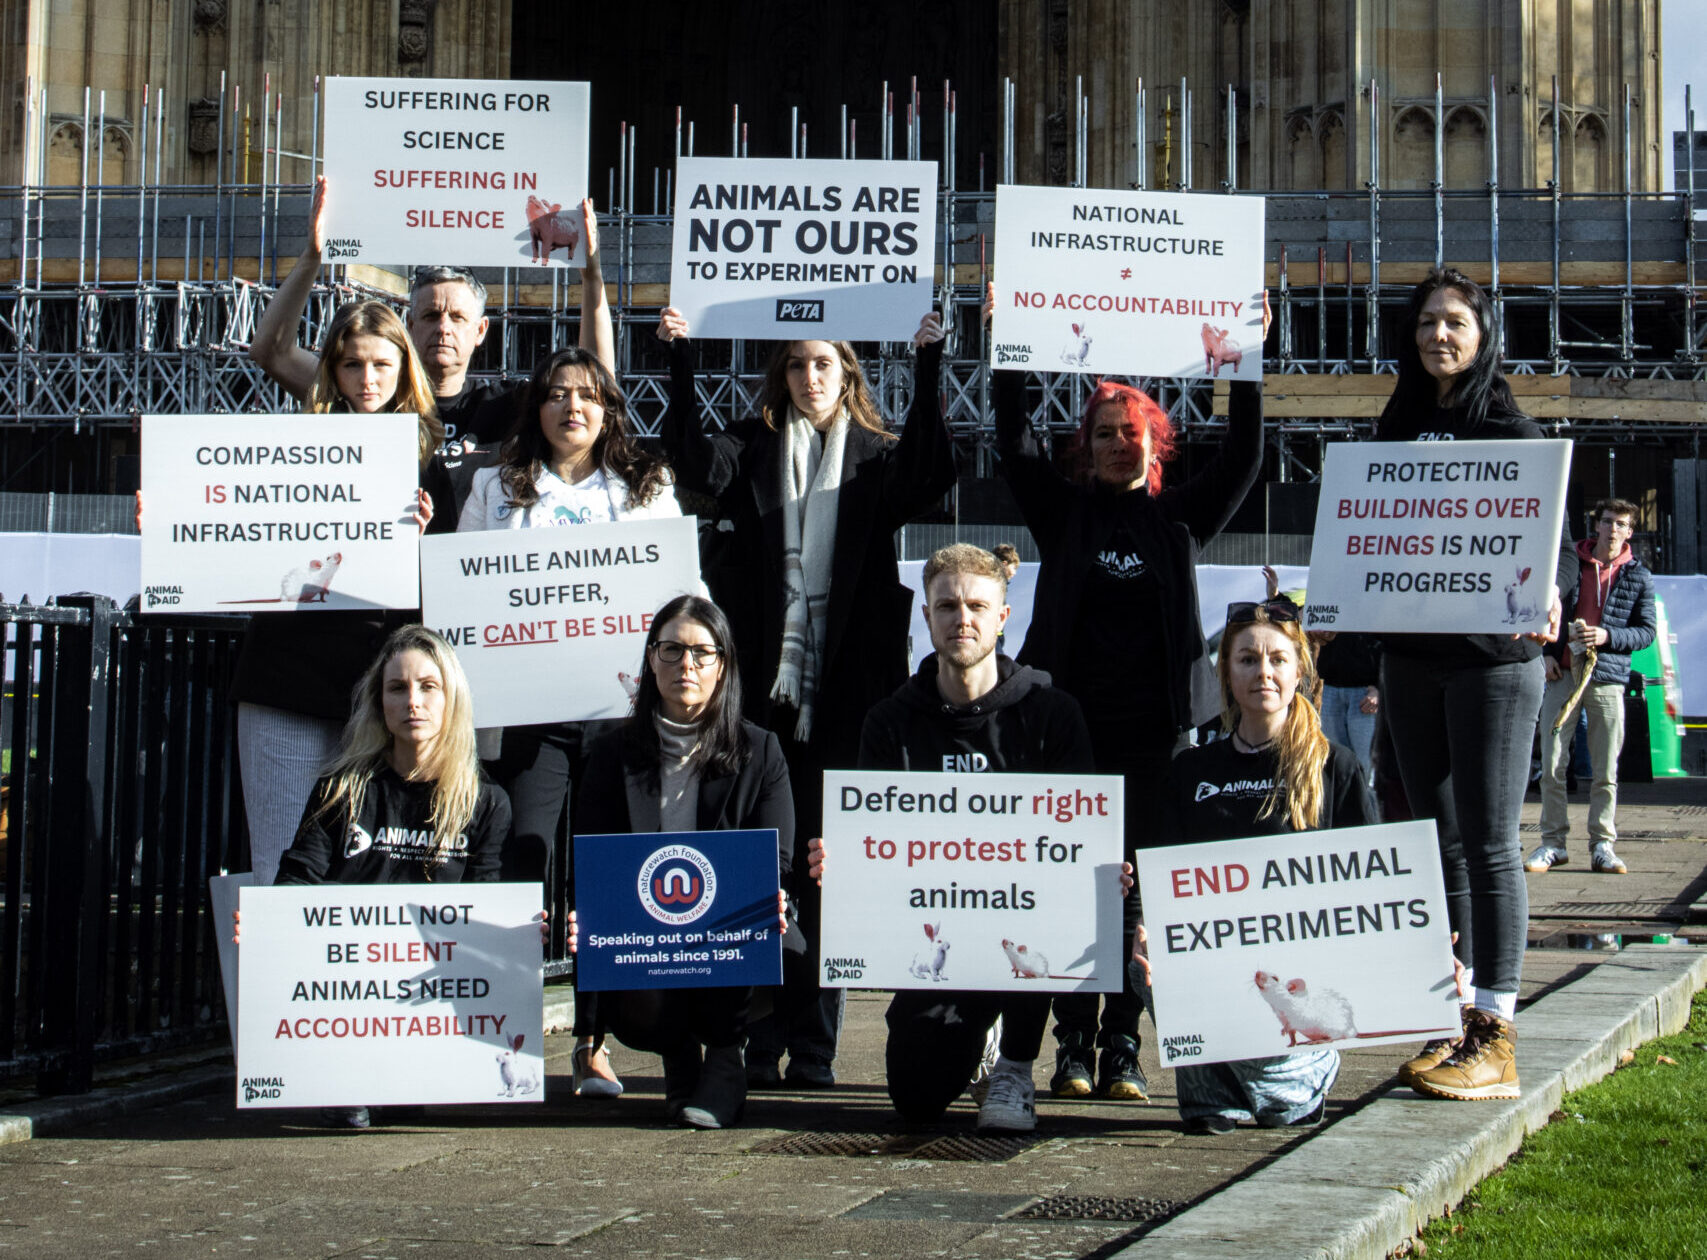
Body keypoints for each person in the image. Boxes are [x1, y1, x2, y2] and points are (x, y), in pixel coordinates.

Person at [656, 307, 956, 1088]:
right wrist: (681, 357)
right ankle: (756, 1039)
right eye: (796, 365)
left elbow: (931, 470)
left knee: (827, 871)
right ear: (780, 376)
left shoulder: (872, 460)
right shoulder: (750, 448)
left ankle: (816, 1048)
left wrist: (927, 365)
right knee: (760, 868)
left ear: (847, 376)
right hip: (758, 704)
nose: (810, 378)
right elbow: (689, 460)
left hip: (846, 704)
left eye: (825, 364)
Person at [986, 283, 1270, 1103]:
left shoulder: (1178, 519)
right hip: (1070, 736)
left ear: (1157, 444)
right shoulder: (1062, 512)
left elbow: (1246, 455)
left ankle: (1122, 1044)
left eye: (1134, 432)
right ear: (1086, 447)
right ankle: (1071, 1044)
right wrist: (1010, 344)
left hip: (1157, 739)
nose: (1119, 444)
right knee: (1078, 888)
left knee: (1144, 891)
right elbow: (1012, 437)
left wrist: (1244, 356)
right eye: (1105, 433)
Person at [812, 544, 1109, 1133]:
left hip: (1022, 920)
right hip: (939, 932)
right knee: (916, 1098)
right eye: (946, 606)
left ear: (1003, 616)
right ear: (926, 617)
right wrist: (843, 862)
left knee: (1062, 897)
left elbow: (1079, 842)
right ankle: (982, 1040)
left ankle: (1017, 1065)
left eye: (977, 605)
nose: (961, 619)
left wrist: (1101, 866)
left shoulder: (1053, 714)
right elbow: (874, 847)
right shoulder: (889, 722)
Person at [456, 345, 683, 1098]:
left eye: (587, 396)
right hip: (529, 716)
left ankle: (592, 1041)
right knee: (522, 861)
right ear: (537, 408)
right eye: (555, 395)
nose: (571, 408)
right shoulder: (495, 487)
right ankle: (504, 1037)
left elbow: (681, 593)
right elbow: (467, 590)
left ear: (609, 410)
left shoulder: (647, 485)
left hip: (618, 714)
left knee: (607, 876)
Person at [1374, 268, 1574, 1102]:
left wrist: (1554, 585)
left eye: (1454, 322)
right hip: (1411, 659)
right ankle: (1451, 1017)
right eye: (1426, 323)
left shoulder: (1514, 432)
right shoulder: (1395, 429)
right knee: (1431, 841)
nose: (1438, 336)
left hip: (1491, 661)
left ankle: (1496, 1031)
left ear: (1484, 336)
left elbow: (1551, 536)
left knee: (1491, 843)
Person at [225, 292, 448, 887]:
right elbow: (233, 537)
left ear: (404, 367)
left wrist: (420, 540)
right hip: (287, 682)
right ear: (333, 369)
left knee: (367, 868)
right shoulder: (291, 447)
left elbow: (446, 590)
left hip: (379, 693)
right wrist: (173, 521)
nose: (367, 379)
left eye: (381, 364)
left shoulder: (428, 460)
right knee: (280, 866)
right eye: (353, 364)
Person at [1137, 597, 1377, 1133]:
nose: (1262, 672)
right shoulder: (1192, 769)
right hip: (1213, 963)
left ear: (1300, 670)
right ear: (1226, 671)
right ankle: (1217, 1089)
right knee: (1139, 957)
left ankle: (1289, 1075)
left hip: (1299, 970)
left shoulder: (1335, 766)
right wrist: (1140, 923)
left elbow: (1373, 883)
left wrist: (1418, 942)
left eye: (1277, 659)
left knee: (1282, 1104)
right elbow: (1160, 873)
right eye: (1246, 659)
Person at [270, 624, 512, 1128]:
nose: (413, 701)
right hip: (350, 981)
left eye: (429, 687)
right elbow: (298, 878)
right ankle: (349, 1077)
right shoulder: (341, 789)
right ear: (379, 702)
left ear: (452, 700)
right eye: (398, 688)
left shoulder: (486, 802)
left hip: (433, 985)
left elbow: (486, 903)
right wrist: (267, 921)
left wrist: (519, 935)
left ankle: (408, 1072)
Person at [248, 176, 614, 504]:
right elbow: (271, 352)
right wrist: (314, 255)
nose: (443, 328)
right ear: (408, 323)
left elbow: (596, 383)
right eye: (430, 315)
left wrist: (592, 280)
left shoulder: (508, 405)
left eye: (457, 317)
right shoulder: (369, 391)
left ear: (481, 331)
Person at [570, 596, 794, 1129]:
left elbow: (777, 857)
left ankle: (723, 1059)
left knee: (769, 933)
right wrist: (589, 918)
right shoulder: (610, 752)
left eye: (701, 652)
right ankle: (679, 1057)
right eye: (671, 650)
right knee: (636, 995)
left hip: (728, 935)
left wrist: (775, 895)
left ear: (724, 665)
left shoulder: (761, 750)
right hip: (649, 938)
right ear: (650, 660)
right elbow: (595, 861)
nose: (686, 665)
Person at [1526, 498, 1655, 876]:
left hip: (1607, 677)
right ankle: (1553, 842)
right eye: (1607, 522)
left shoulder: (1638, 575)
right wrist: (1547, 653)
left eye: (1621, 524)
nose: (1612, 529)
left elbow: (1646, 632)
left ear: (1630, 532)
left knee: (1605, 770)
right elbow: (1545, 610)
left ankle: (1602, 844)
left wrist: (1608, 635)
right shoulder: (1569, 566)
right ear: (1595, 525)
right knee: (1551, 764)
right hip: (1562, 675)